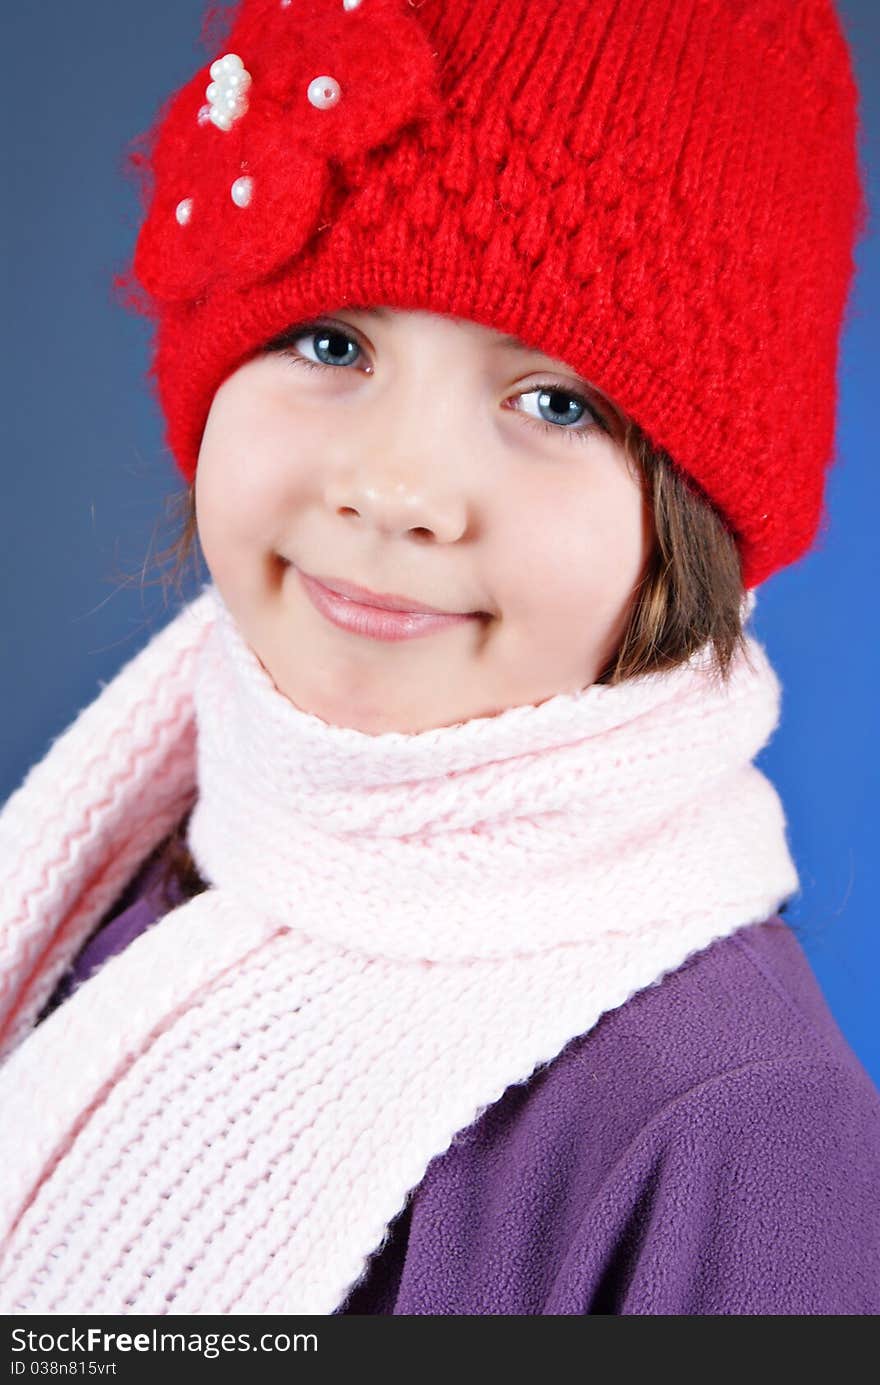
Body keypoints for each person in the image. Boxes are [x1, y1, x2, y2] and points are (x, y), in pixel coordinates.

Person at [0, 0, 877, 1316]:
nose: (400, 487)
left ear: (696, 517)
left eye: (555, 401)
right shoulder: (137, 862)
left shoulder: (734, 1123)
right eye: (332, 342)